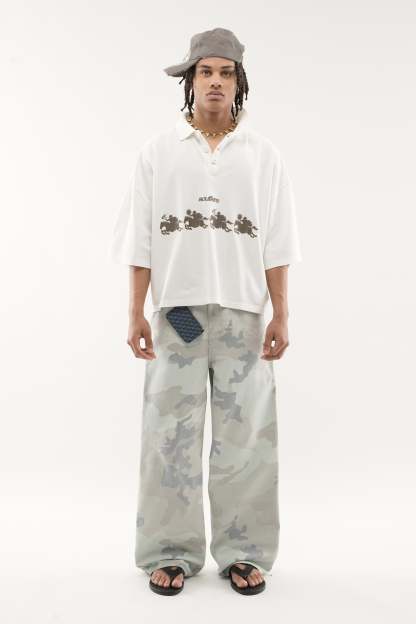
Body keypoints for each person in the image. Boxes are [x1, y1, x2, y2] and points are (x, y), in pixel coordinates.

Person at [109, 27, 302, 596]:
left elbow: (278, 243)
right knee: (169, 436)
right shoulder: (159, 152)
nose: (215, 82)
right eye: (205, 72)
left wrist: (281, 314)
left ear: (239, 83)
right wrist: (135, 312)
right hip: (178, 317)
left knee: (248, 441)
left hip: (244, 316)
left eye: (225, 73)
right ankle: (169, 550)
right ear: (189, 81)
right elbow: (140, 240)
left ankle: (244, 552)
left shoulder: (263, 156)